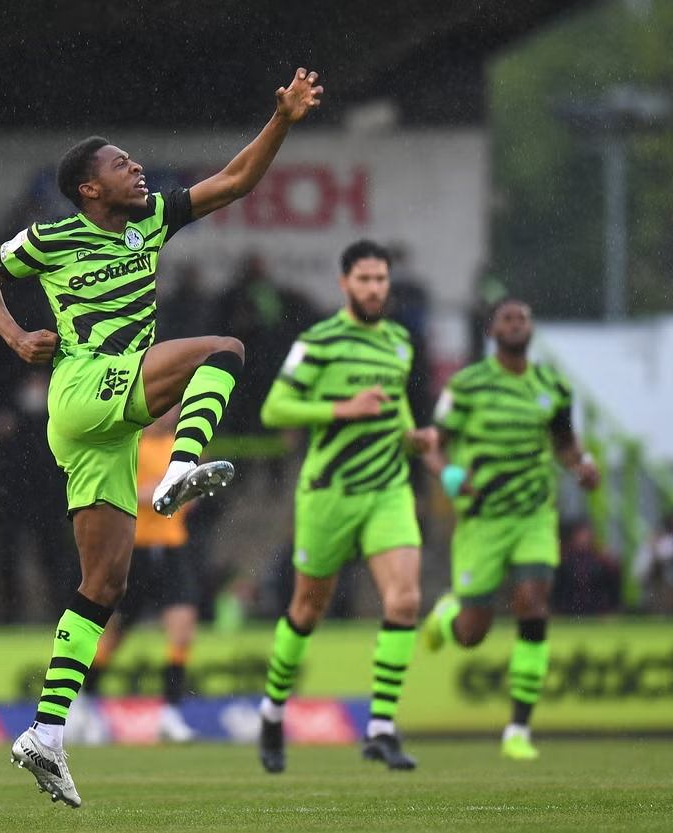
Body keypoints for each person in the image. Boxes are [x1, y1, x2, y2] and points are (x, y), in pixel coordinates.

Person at [0, 67, 323, 807]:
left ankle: (46, 731)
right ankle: (181, 464)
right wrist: (13, 337)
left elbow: (234, 180)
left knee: (105, 584)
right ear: (89, 187)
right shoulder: (52, 236)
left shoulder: (148, 219)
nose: (135, 168)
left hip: (102, 423)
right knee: (223, 350)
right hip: (84, 386)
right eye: (120, 163)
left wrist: (282, 119)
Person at [255, 240, 434, 775]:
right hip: (330, 493)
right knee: (307, 611)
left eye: (382, 280)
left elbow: (396, 401)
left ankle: (380, 727)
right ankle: (272, 710)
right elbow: (274, 408)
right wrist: (343, 408)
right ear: (344, 284)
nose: (376, 289)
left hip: (388, 489)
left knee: (404, 601)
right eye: (365, 280)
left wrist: (411, 437)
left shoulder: (400, 342)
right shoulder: (319, 341)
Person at [420, 298, 600, 761]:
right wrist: (450, 475)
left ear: (532, 329)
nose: (517, 323)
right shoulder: (468, 386)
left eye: (524, 318)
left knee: (532, 603)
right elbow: (433, 445)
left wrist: (582, 465)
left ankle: (518, 729)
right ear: (492, 330)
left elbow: (565, 444)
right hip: (482, 519)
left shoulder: (552, 387)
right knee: (472, 633)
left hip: (535, 516)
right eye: (508, 318)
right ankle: (446, 617)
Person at [74, 408, 201, 743]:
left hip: (173, 548)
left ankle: (171, 714)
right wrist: (154, 494)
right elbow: (122, 493)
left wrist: (176, 493)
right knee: (115, 635)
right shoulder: (130, 445)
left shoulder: (184, 447)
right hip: (136, 550)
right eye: (168, 406)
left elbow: (189, 497)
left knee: (182, 630)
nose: (172, 413)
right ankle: (83, 702)